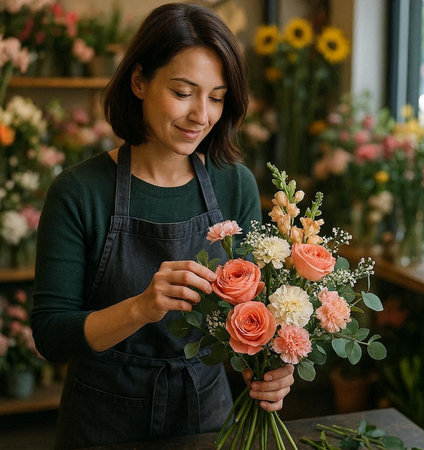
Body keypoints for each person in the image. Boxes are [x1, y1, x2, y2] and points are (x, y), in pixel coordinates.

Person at [31, 3, 294, 449]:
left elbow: (254, 312)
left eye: (216, 96)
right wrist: (140, 307)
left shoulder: (235, 185)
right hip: (103, 420)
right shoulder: (78, 191)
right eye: (183, 91)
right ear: (139, 82)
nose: (201, 116)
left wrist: (270, 366)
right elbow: (51, 335)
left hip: (205, 414)